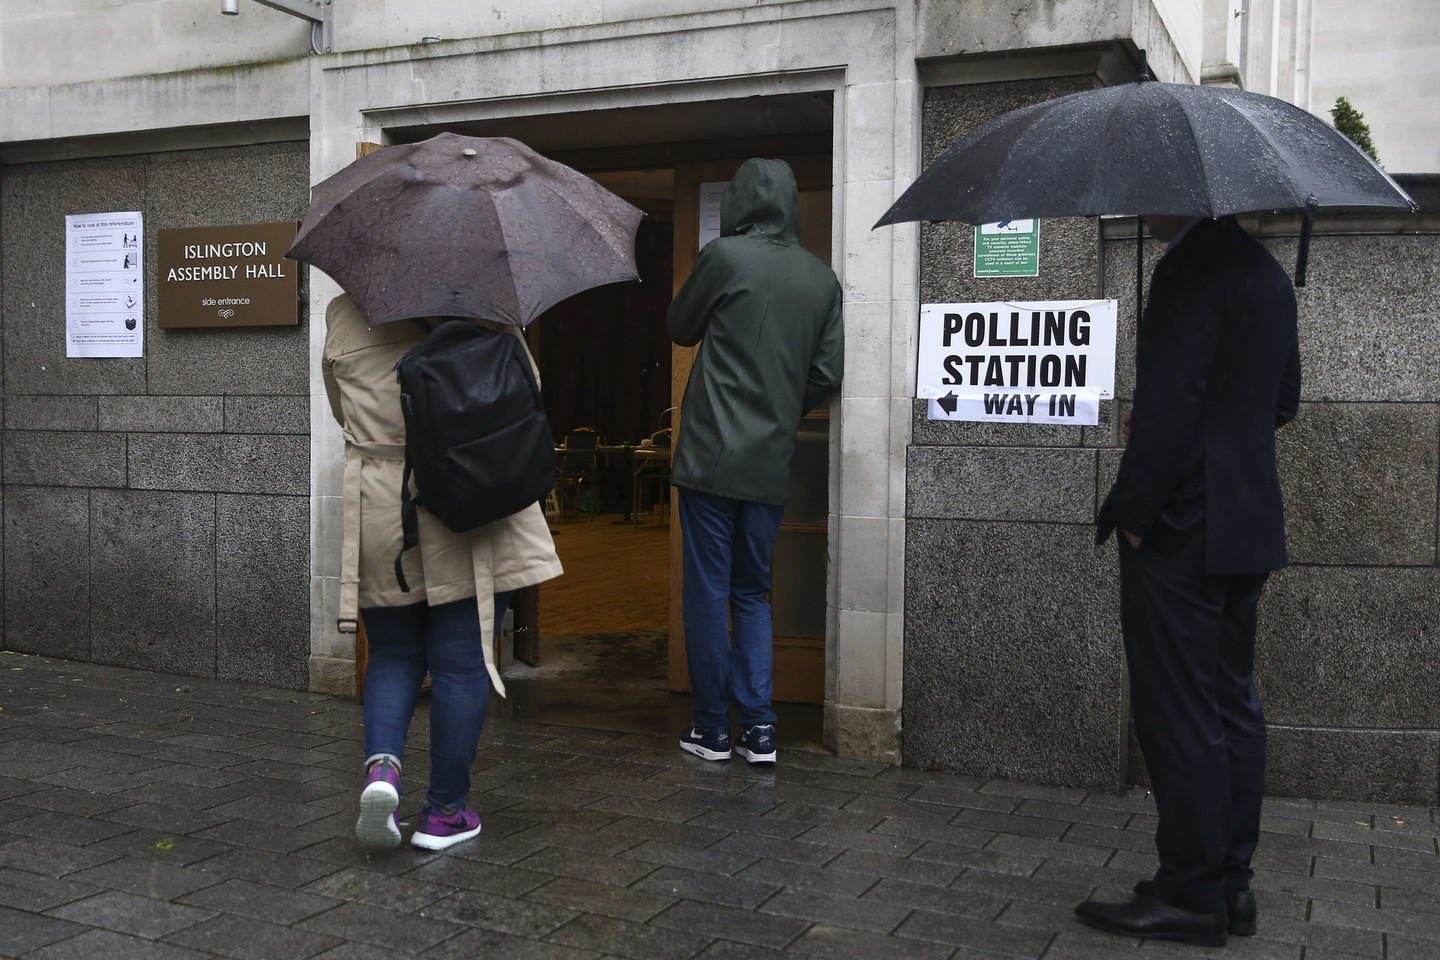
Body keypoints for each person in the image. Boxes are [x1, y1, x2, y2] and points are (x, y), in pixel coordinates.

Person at [1077, 214, 1301, 946]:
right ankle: (1231, 886)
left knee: (1180, 714)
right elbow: (1283, 401)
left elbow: (1169, 414)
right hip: (1248, 520)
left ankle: (1190, 892)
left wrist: (1137, 513)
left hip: (1182, 529)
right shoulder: (1267, 273)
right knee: (1232, 703)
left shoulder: (1184, 270)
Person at [323, 293, 562, 850]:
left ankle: (382, 772)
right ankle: (444, 814)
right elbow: (527, 390)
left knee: (391, 653)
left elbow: (342, 410)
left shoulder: (343, 312)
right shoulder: (485, 306)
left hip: (384, 508)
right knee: (461, 664)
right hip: (468, 497)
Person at [666, 158, 844, 765]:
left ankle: (713, 728)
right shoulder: (822, 280)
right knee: (752, 593)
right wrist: (782, 413)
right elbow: (825, 373)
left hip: (710, 457)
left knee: (707, 591)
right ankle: (761, 730)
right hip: (771, 460)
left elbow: (678, 326)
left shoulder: (723, 257)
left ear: (739, 202)